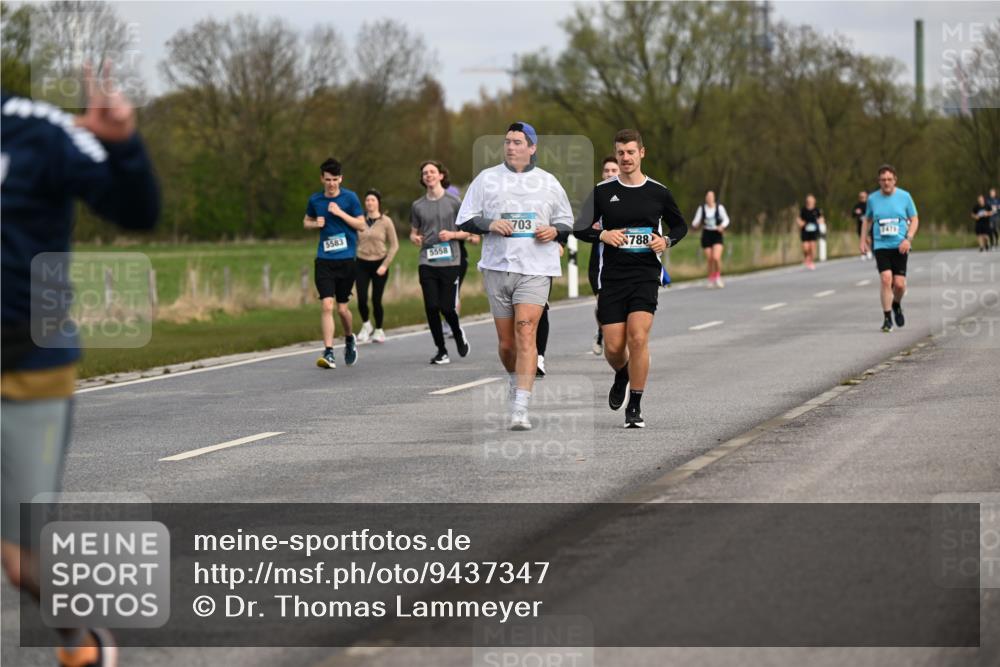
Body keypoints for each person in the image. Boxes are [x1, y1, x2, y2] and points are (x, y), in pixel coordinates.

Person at [2, 65, 160, 667]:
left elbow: (137, 209)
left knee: (24, 565)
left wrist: (124, 146)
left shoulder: (35, 130)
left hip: (27, 366)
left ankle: (80, 642)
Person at [455, 122, 574, 430]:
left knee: (525, 331)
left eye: (518, 142)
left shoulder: (548, 182)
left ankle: (520, 407)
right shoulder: (487, 179)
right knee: (507, 344)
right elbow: (465, 219)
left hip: (536, 269)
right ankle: (514, 378)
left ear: (532, 148)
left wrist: (554, 231)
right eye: (507, 141)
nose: (510, 146)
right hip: (497, 267)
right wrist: (490, 225)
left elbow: (566, 222)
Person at [575, 129, 687, 428]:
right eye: (621, 152)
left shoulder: (658, 192)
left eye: (630, 152)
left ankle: (635, 405)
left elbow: (680, 226)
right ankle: (622, 373)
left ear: (642, 153)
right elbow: (579, 227)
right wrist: (603, 233)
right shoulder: (602, 191)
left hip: (645, 275)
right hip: (612, 277)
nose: (625, 158)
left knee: (638, 337)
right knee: (613, 346)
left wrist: (666, 241)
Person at [305, 158, 366, 368]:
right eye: (328, 179)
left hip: (347, 260)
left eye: (335, 179)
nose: (331, 183)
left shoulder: (350, 198)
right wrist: (315, 223)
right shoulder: (315, 200)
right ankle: (329, 351)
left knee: (342, 309)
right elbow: (306, 221)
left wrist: (340, 213)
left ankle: (349, 338)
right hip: (324, 260)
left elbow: (362, 225)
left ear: (341, 179)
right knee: (327, 304)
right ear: (322, 178)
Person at [411, 160, 470, 364]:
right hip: (427, 260)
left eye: (432, 172)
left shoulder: (454, 202)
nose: (429, 175)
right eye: (425, 173)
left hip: (450, 261)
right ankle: (441, 350)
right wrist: (415, 238)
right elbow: (413, 233)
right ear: (422, 178)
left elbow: (467, 231)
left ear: (441, 176)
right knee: (431, 306)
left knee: (446, 307)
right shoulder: (417, 205)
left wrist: (452, 234)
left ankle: (458, 333)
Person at [860, 164, 919, 333]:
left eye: (889, 179)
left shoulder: (905, 196)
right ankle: (887, 319)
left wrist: (908, 239)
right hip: (881, 245)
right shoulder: (872, 199)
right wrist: (863, 240)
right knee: (886, 279)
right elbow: (867, 220)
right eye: (883, 180)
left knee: (899, 285)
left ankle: (896, 304)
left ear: (895, 180)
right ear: (879, 181)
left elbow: (914, 219)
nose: (886, 183)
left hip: (900, 245)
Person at [355, 189, 398, 344]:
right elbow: (352, 240)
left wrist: (385, 265)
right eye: (367, 200)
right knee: (361, 298)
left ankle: (379, 329)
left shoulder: (386, 221)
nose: (369, 203)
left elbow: (394, 245)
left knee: (376, 300)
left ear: (378, 202)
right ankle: (366, 325)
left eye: (372, 200)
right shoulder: (359, 221)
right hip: (361, 263)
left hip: (380, 264)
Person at [588, 156, 619, 355]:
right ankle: (601, 331)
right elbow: (583, 225)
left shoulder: (628, 194)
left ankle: (612, 335)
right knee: (602, 304)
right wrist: (595, 228)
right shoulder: (597, 194)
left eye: (613, 170)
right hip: (598, 260)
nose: (609, 174)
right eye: (606, 170)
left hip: (622, 258)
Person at [690, 189, 730, 287]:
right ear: (706, 198)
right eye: (707, 197)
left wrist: (722, 226)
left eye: (711, 197)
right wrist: (695, 224)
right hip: (706, 234)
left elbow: (726, 219)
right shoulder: (702, 208)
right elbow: (695, 221)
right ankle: (711, 279)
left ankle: (718, 277)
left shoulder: (719, 208)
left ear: (714, 198)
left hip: (717, 234)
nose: (709, 199)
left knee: (716, 257)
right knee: (710, 259)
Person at [797, 194, 824, 270]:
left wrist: (820, 221)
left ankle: (811, 261)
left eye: (811, 200)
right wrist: (800, 223)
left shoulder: (817, 210)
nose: (810, 202)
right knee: (805, 247)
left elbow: (821, 218)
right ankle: (806, 257)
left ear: (814, 201)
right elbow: (799, 219)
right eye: (808, 201)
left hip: (814, 231)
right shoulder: (803, 210)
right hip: (805, 231)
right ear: (807, 201)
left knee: (812, 246)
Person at [852, 190, 872, 260]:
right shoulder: (857, 206)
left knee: (868, 239)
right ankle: (866, 252)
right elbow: (853, 214)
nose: (862, 198)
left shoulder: (869, 205)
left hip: (869, 224)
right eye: (861, 197)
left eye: (864, 197)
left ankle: (867, 250)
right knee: (862, 238)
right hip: (860, 225)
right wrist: (856, 212)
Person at [987, 187, 999, 251]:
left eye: (993, 192)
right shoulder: (988, 200)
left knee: (995, 229)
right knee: (990, 230)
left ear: (995, 193)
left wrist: (996, 207)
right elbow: (987, 207)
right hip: (990, 217)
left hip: (996, 216)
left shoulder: (997, 199)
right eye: (991, 192)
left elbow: (998, 207)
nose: (992, 193)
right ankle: (991, 244)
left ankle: (996, 241)